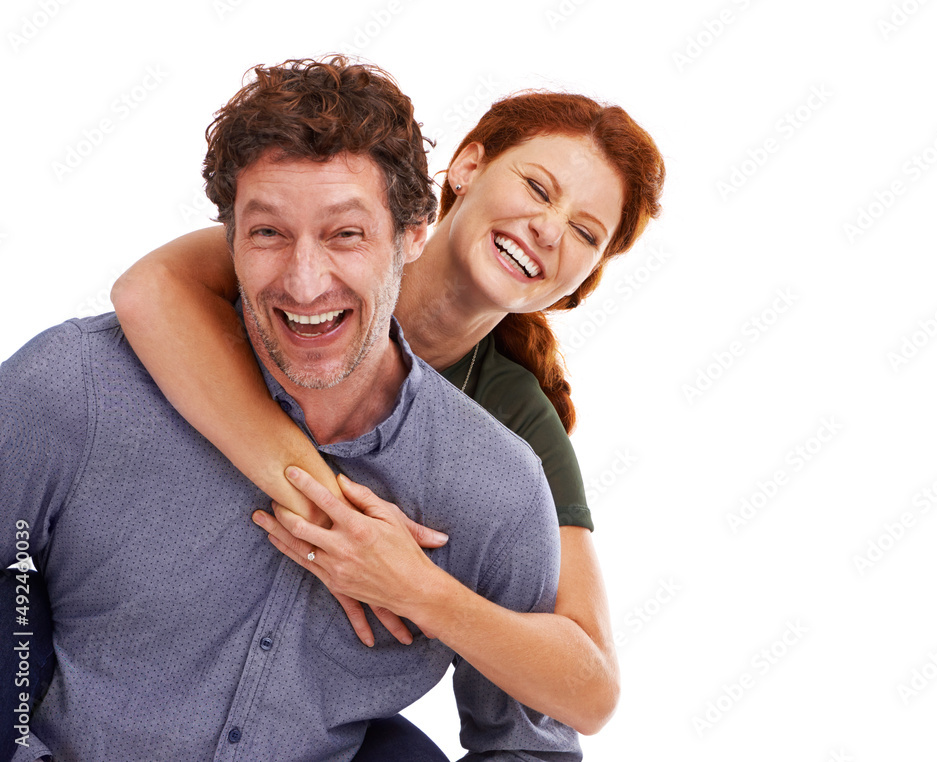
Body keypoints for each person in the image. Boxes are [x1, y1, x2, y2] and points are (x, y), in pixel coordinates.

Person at [0, 55, 582, 761]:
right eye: (269, 233)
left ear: (413, 234)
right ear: (230, 239)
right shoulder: (77, 390)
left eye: (346, 234)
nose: (305, 283)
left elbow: (529, 743)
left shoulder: (495, 490)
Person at [110, 64, 665, 753]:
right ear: (466, 167)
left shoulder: (513, 419)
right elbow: (147, 289)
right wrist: (317, 507)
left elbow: (590, 689)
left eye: (586, 233)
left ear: (583, 280)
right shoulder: (324, 250)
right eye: (537, 188)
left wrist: (418, 589)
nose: (550, 231)